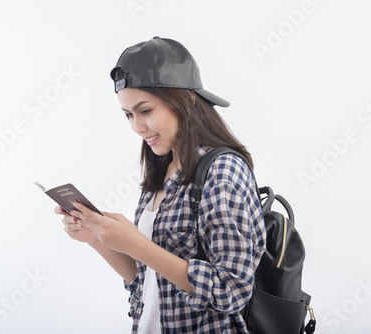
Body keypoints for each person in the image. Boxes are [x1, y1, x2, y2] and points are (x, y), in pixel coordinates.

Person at [55, 36, 266, 333]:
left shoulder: (223, 171)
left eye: (145, 111)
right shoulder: (161, 170)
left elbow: (232, 289)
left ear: (187, 101)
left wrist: (138, 245)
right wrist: (95, 237)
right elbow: (145, 279)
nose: (136, 127)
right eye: (128, 115)